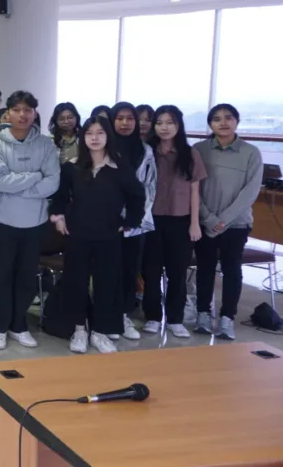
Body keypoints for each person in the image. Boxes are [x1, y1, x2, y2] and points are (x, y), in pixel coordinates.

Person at [50, 115, 145, 355]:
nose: (94, 138)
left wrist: (131, 222)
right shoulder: (71, 166)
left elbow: (137, 196)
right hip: (78, 234)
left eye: (100, 133)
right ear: (83, 137)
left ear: (107, 137)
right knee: (76, 284)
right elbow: (60, 196)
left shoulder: (119, 166)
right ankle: (80, 329)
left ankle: (100, 332)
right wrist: (58, 217)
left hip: (109, 235)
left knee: (107, 285)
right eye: (90, 133)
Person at [0, 90, 60, 351]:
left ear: (35, 113)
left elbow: (53, 182)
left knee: (27, 278)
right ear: (8, 113)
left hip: (35, 223)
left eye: (28, 110)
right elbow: (0, 181)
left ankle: (18, 325)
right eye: (17, 109)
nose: (22, 114)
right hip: (2, 221)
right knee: (1, 277)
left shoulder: (47, 145)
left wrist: (21, 185)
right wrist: (35, 176)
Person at [193, 103, 263, 340]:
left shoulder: (251, 152)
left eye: (228, 117)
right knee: (205, 269)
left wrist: (223, 220)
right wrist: (209, 218)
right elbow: (193, 189)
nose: (223, 122)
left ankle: (227, 318)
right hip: (206, 221)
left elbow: (250, 191)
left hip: (237, 224)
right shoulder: (199, 150)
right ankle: (202, 313)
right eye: (216, 119)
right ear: (210, 124)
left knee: (232, 270)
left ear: (237, 121)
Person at [142, 105, 206, 338]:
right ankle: (152, 316)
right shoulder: (147, 152)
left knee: (177, 272)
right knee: (151, 270)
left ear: (178, 126)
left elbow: (195, 190)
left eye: (169, 122)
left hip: (181, 221)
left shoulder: (190, 154)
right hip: (152, 220)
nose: (164, 127)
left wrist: (195, 223)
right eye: (159, 122)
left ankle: (175, 319)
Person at [111, 102, 156, 341]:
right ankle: (105, 317)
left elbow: (150, 187)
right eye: (120, 118)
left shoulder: (145, 151)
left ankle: (124, 315)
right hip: (105, 222)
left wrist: (133, 218)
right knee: (107, 271)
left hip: (135, 225)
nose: (125, 123)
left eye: (130, 118)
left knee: (129, 271)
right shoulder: (103, 147)